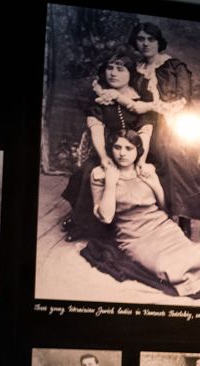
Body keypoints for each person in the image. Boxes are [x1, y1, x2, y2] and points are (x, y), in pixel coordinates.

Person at [88, 130, 200, 301]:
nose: (122, 153)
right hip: (134, 236)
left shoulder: (147, 170)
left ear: (138, 150)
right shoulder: (99, 175)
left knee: (187, 252)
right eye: (117, 147)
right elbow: (106, 217)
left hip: (160, 226)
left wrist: (153, 183)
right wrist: (110, 182)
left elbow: (163, 207)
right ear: (111, 148)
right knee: (163, 266)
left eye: (129, 148)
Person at [61, 48, 154, 241]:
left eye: (120, 69)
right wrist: (104, 158)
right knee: (86, 173)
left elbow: (146, 131)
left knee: (160, 170)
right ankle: (82, 223)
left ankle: (148, 222)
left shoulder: (143, 99)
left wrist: (141, 160)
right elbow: (96, 130)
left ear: (131, 73)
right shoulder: (99, 99)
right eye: (110, 68)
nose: (113, 73)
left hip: (137, 151)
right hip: (110, 150)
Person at [127, 22, 200, 236]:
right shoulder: (136, 69)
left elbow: (184, 98)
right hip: (143, 121)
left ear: (158, 42)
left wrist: (161, 112)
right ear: (136, 42)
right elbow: (127, 95)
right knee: (140, 151)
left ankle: (183, 217)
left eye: (150, 39)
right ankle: (154, 214)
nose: (145, 44)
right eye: (141, 39)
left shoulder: (175, 66)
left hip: (174, 119)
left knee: (174, 156)